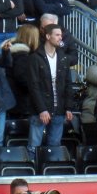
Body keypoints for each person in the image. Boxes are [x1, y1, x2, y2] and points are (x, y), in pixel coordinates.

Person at [27, 24, 73, 160]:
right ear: (48, 36)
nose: (61, 38)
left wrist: (69, 107)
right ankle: (32, 173)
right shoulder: (35, 57)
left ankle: (51, 171)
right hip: (39, 110)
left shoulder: (63, 57)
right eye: (57, 35)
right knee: (33, 146)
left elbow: (68, 84)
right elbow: (33, 86)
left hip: (59, 109)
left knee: (54, 146)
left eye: (61, 35)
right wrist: (42, 109)